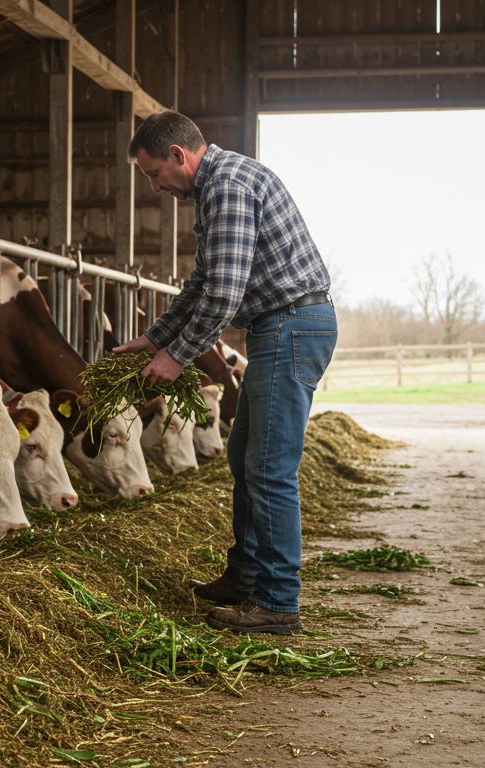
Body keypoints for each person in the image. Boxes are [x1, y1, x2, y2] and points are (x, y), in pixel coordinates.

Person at [112, 111, 336, 635]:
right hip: (280, 327)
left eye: (152, 174)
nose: (153, 186)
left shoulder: (229, 187)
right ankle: (245, 577)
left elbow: (224, 294)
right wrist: (156, 336)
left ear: (177, 156)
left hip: (291, 325)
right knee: (245, 457)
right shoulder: (219, 186)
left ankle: (279, 603)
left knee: (269, 468)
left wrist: (177, 355)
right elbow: (202, 282)